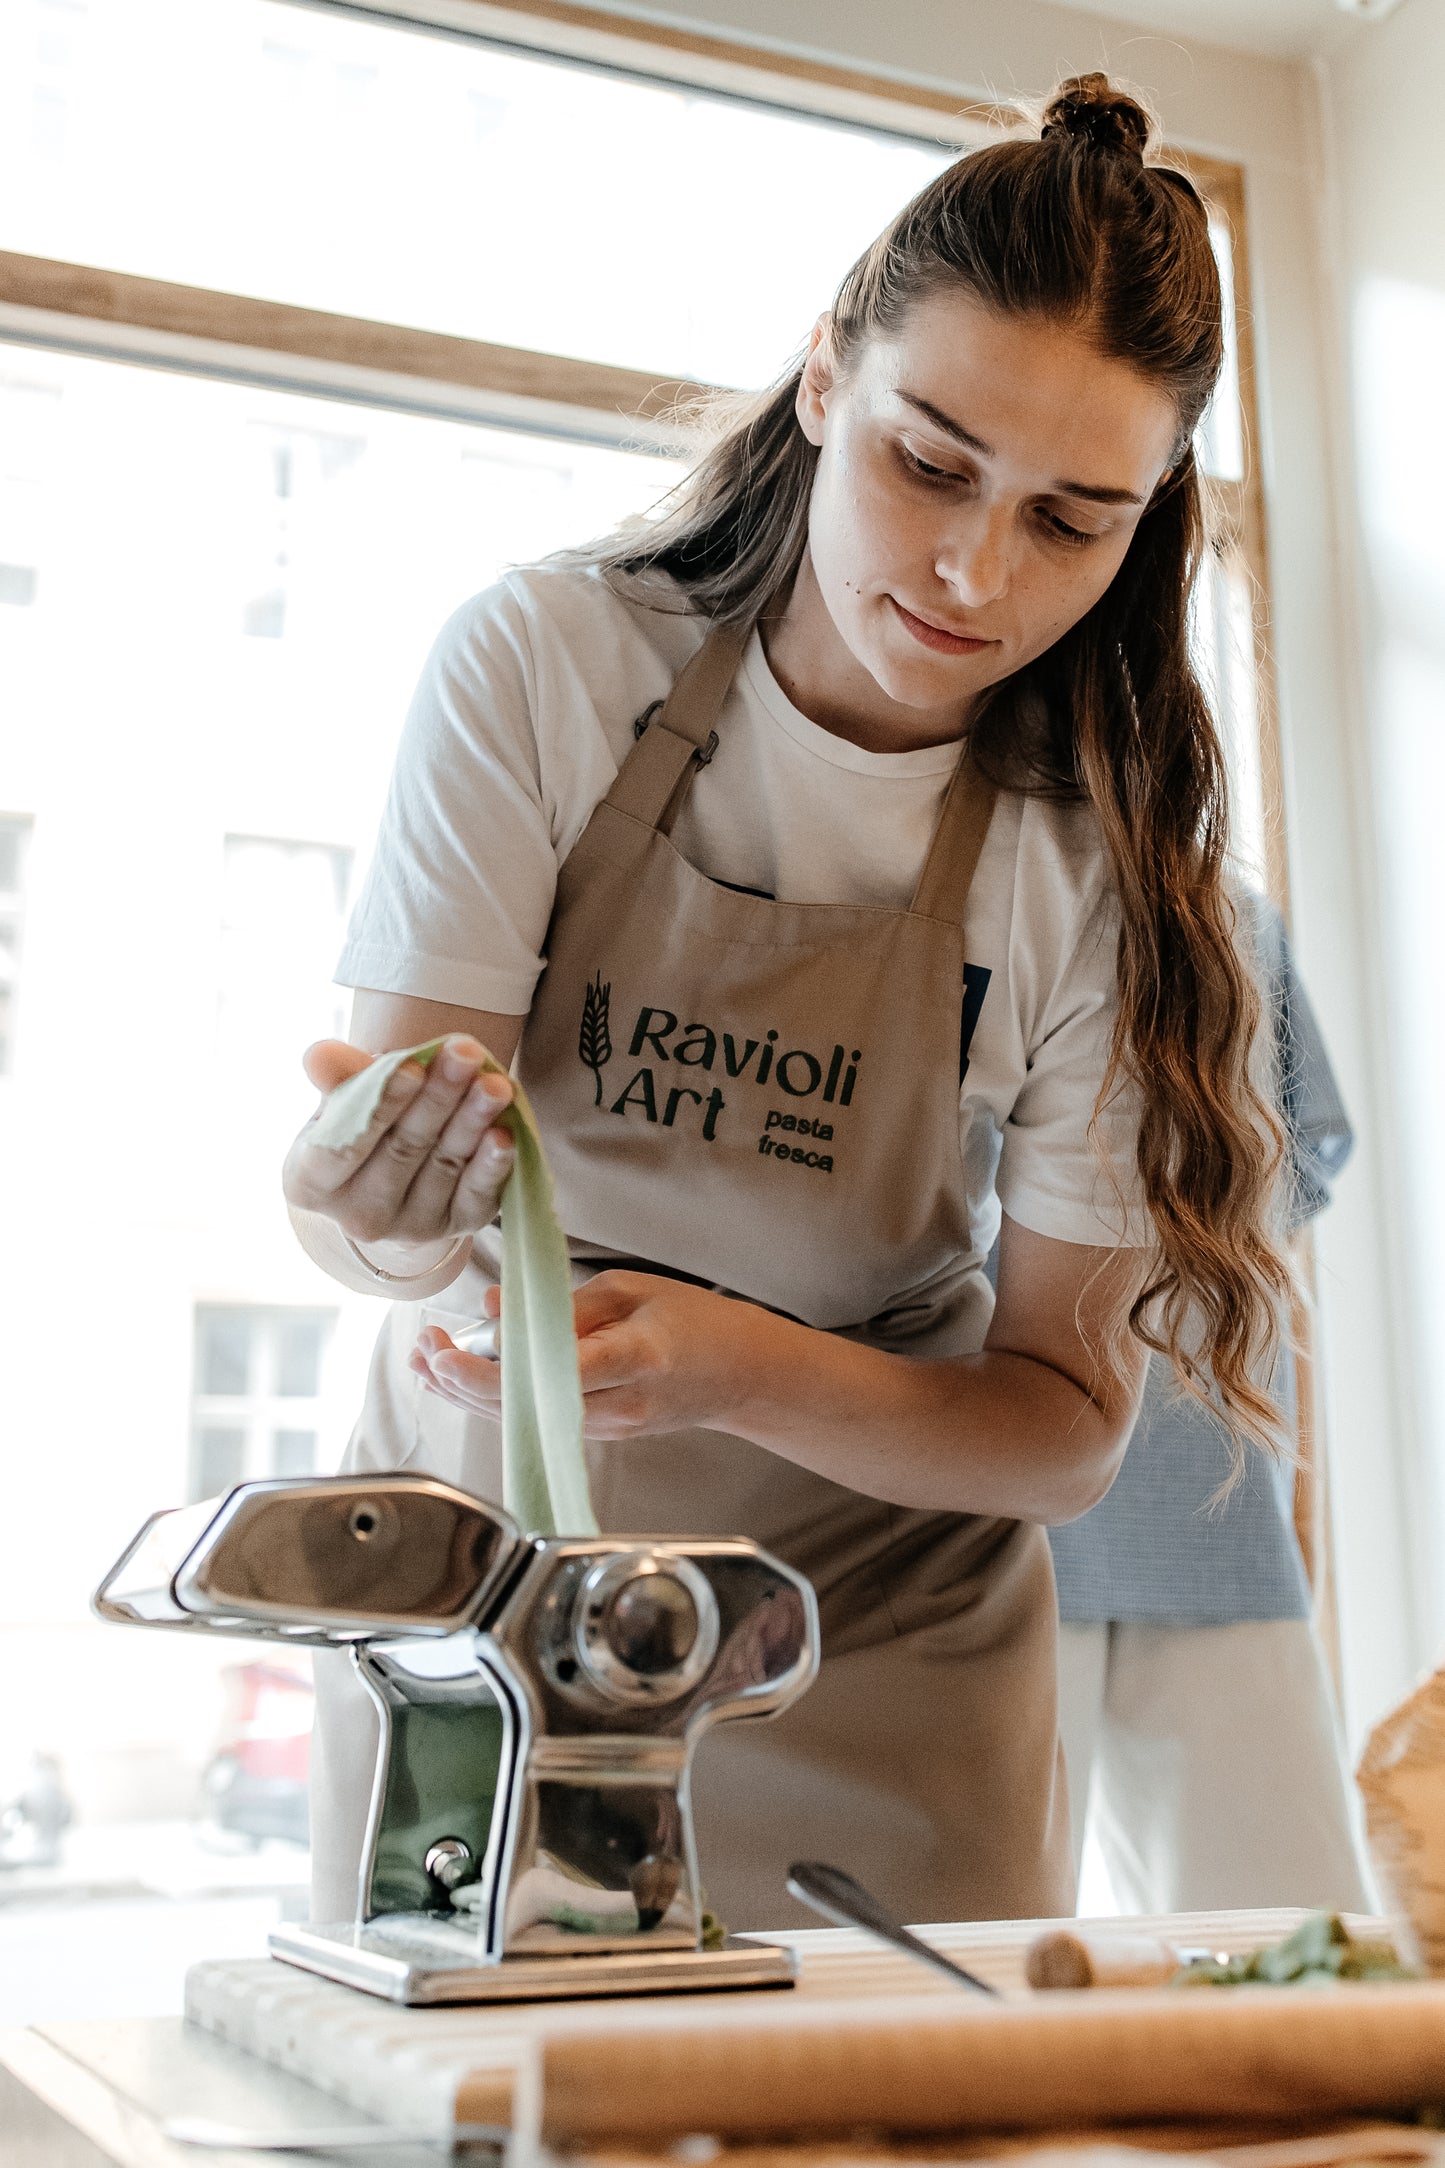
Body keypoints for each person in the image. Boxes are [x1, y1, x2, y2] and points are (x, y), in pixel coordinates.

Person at [284, 74, 1292, 1933]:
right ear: (826, 376)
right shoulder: (548, 666)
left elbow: (1064, 1423)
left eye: (1075, 519)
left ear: (1148, 524)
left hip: (876, 1645)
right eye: (933, 462)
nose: (977, 573)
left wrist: (733, 1363)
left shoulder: (1097, 866)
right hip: (492, 1591)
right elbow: (407, 1197)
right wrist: (362, 1206)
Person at [1047, 898, 1374, 1913]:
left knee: (1280, 1942)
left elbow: (1301, 1163)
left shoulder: (1232, 923)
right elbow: (1301, 1166)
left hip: (1194, 1492)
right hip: (1038, 1482)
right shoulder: (1224, 918)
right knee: (980, 1930)